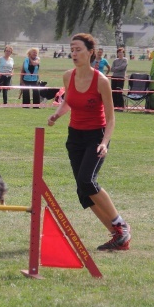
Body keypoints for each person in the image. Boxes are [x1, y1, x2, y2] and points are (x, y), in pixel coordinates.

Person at [47, 33, 131, 251]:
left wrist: (104, 143)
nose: (74, 54)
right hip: (75, 137)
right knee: (83, 191)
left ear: (90, 52)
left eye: (78, 50)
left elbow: (111, 118)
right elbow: (68, 102)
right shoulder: (68, 76)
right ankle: (116, 236)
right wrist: (57, 114)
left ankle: (121, 225)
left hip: (96, 136)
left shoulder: (102, 81)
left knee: (87, 180)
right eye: (72, 49)